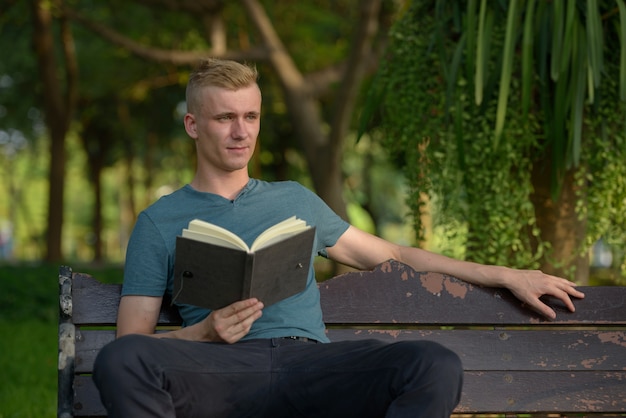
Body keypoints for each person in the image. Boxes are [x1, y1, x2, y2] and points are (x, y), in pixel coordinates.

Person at [93, 58, 584, 418]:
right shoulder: (159, 221)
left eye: (251, 117)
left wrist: (505, 274)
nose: (241, 132)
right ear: (193, 125)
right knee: (121, 361)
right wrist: (205, 333)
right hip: (219, 373)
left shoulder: (295, 200)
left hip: (312, 366)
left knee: (432, 363)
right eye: (225, 118)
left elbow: (392, 254)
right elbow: (131, 343)